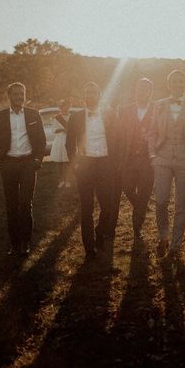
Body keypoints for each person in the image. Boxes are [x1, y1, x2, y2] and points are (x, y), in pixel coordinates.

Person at [148, 70, 185, 259]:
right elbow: (152, 132)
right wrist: (153, 155)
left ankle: (175, 245)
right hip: (162, 159)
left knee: (182, 204)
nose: (178, 84)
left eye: (181, 81)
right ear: (168, 83)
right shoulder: (158, 105)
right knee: (161, 201)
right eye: (174, 80)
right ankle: (163, 237)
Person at [0, 82, 46, 256]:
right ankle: (14, 243)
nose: (19, 97)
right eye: (15, 94)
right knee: (11, 206)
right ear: (9, 96)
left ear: (25, 95)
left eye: (22, 94)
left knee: (26, 204)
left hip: (29, 164)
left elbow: (42, 140)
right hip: (8, 164)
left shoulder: (34, 114)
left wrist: (37, 159)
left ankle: (26, 242)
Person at [66, 82, 121, 262]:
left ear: (99, 95)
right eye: (88, 92)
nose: (91, 95)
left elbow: (119, 138)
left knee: (108, 206)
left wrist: (114, 163)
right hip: (86, 165)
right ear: (84, 96)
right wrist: (75, 164)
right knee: (86, 209)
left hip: (106, 164)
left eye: (94, 92)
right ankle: (89, 248)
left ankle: (100, 232)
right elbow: (69, 143)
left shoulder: (110, 113)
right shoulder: (75, 117)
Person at [119, 78, 155, 242]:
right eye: (140, 88)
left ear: (150, 91)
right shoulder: (125, 110)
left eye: (146, 89)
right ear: (136, 90)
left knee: (144, 193)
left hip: (149, 160)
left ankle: (137, 230)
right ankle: (141, 205)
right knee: (126, 187)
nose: (143, 91)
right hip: (130, 158)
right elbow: (119, 134)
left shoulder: (157, 109)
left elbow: (163, 130)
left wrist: (153, 138)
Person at [49, 99, 71, 188]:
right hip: (59, 141)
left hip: (68, 140)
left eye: (68, 106)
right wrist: (62, 129)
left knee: (67, 162)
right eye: (64, 106)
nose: (66, 108)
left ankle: (67, 180)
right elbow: (53, 130)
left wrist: (70, 131)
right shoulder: (57, 117)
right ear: (60, 107)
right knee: (60, 162)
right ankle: (61, 180)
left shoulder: (71, 117)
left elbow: (75, 129)